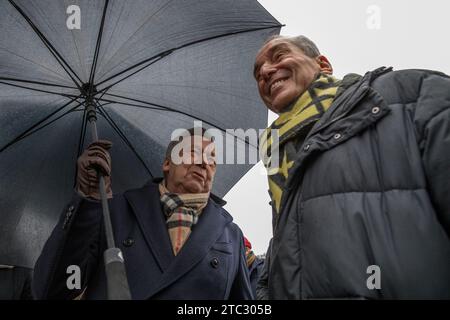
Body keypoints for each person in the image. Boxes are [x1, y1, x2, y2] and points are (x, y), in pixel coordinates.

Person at [254, 35, 450, 299]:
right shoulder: (277, 163)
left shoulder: (411, 96)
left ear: (323, 64)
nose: (265, 71)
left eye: (279, 56)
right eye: (258, 73)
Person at [32, 128, 253, 299]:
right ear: (167, 164)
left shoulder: (230, 235)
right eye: (193, 152)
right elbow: (56, 288)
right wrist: (89, 201)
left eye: (212, 159)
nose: (204, 162)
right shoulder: (114, 211)